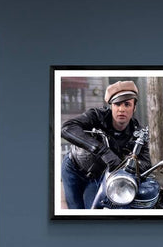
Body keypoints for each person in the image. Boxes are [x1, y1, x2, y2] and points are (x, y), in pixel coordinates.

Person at [60, 80, 152, 210]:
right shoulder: (97, 116)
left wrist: (128, 164)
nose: (121, 109)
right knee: (74, 209)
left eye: (127, 104)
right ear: (111, 106)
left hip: (99, 175)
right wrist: (103, 151)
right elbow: (66, 128)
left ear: (134, 107)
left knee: (93, 209)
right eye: (117, 104)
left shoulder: (138, 133)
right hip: (73, 167)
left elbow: (146, 163)